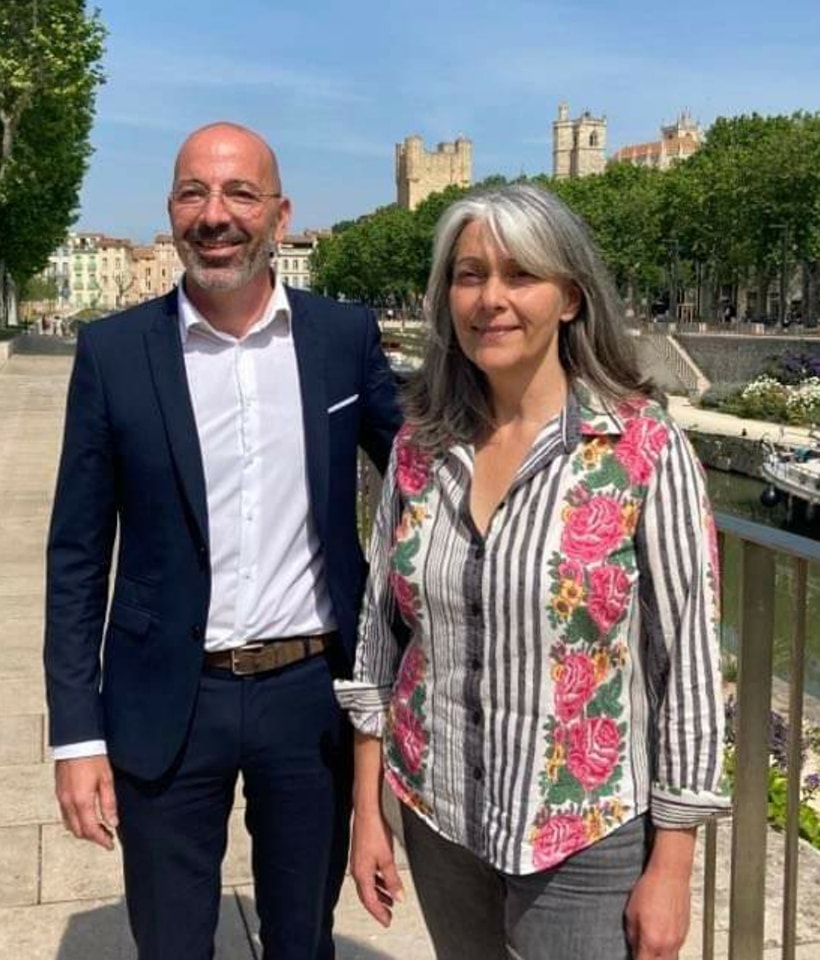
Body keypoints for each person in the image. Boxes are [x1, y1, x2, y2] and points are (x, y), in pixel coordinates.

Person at [338, 183, 728, 960]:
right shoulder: (420, 449)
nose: (491, 299)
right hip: (439, 810)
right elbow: (380, 634)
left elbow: (686, 659)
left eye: (521, 275)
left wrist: (673, 862)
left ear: (572, 297)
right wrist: (367, 807)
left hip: (580, 833)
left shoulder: (639, 450)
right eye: (469, 274)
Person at [44, 121, 402, 960]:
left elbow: (426, 466)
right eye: (194, 193)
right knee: (170, 942)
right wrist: (76, 733)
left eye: (240, 193)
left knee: (302, 939)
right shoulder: (112, 352)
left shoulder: (341, 338)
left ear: (279, 213)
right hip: (167, 695)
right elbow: (77, 555)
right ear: (171, 209)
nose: (216, 215)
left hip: (310, 696)